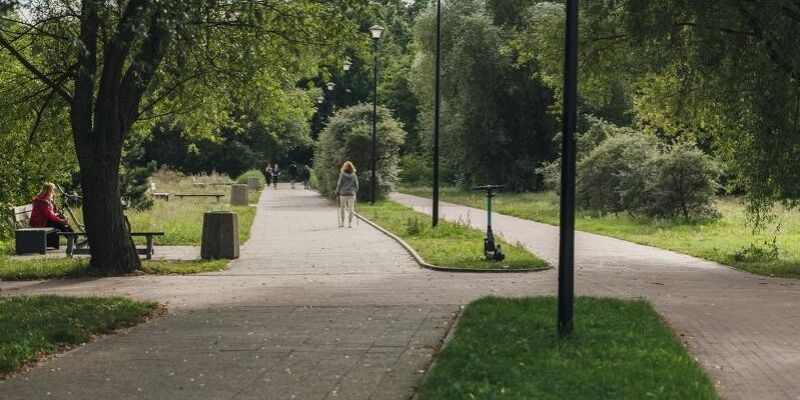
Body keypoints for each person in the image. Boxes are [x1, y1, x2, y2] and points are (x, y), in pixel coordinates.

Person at [335, 161, 359, 228]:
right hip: (351, 194)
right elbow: (356, 184)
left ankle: (342, 223)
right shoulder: (354, 175)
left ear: (344, 167)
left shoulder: (342, 174)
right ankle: (350, 223)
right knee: (351, 208)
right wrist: (356, 190)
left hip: (343, 194)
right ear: (352, 167)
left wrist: (337, 191)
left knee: (342, 208)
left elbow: (339, 184)